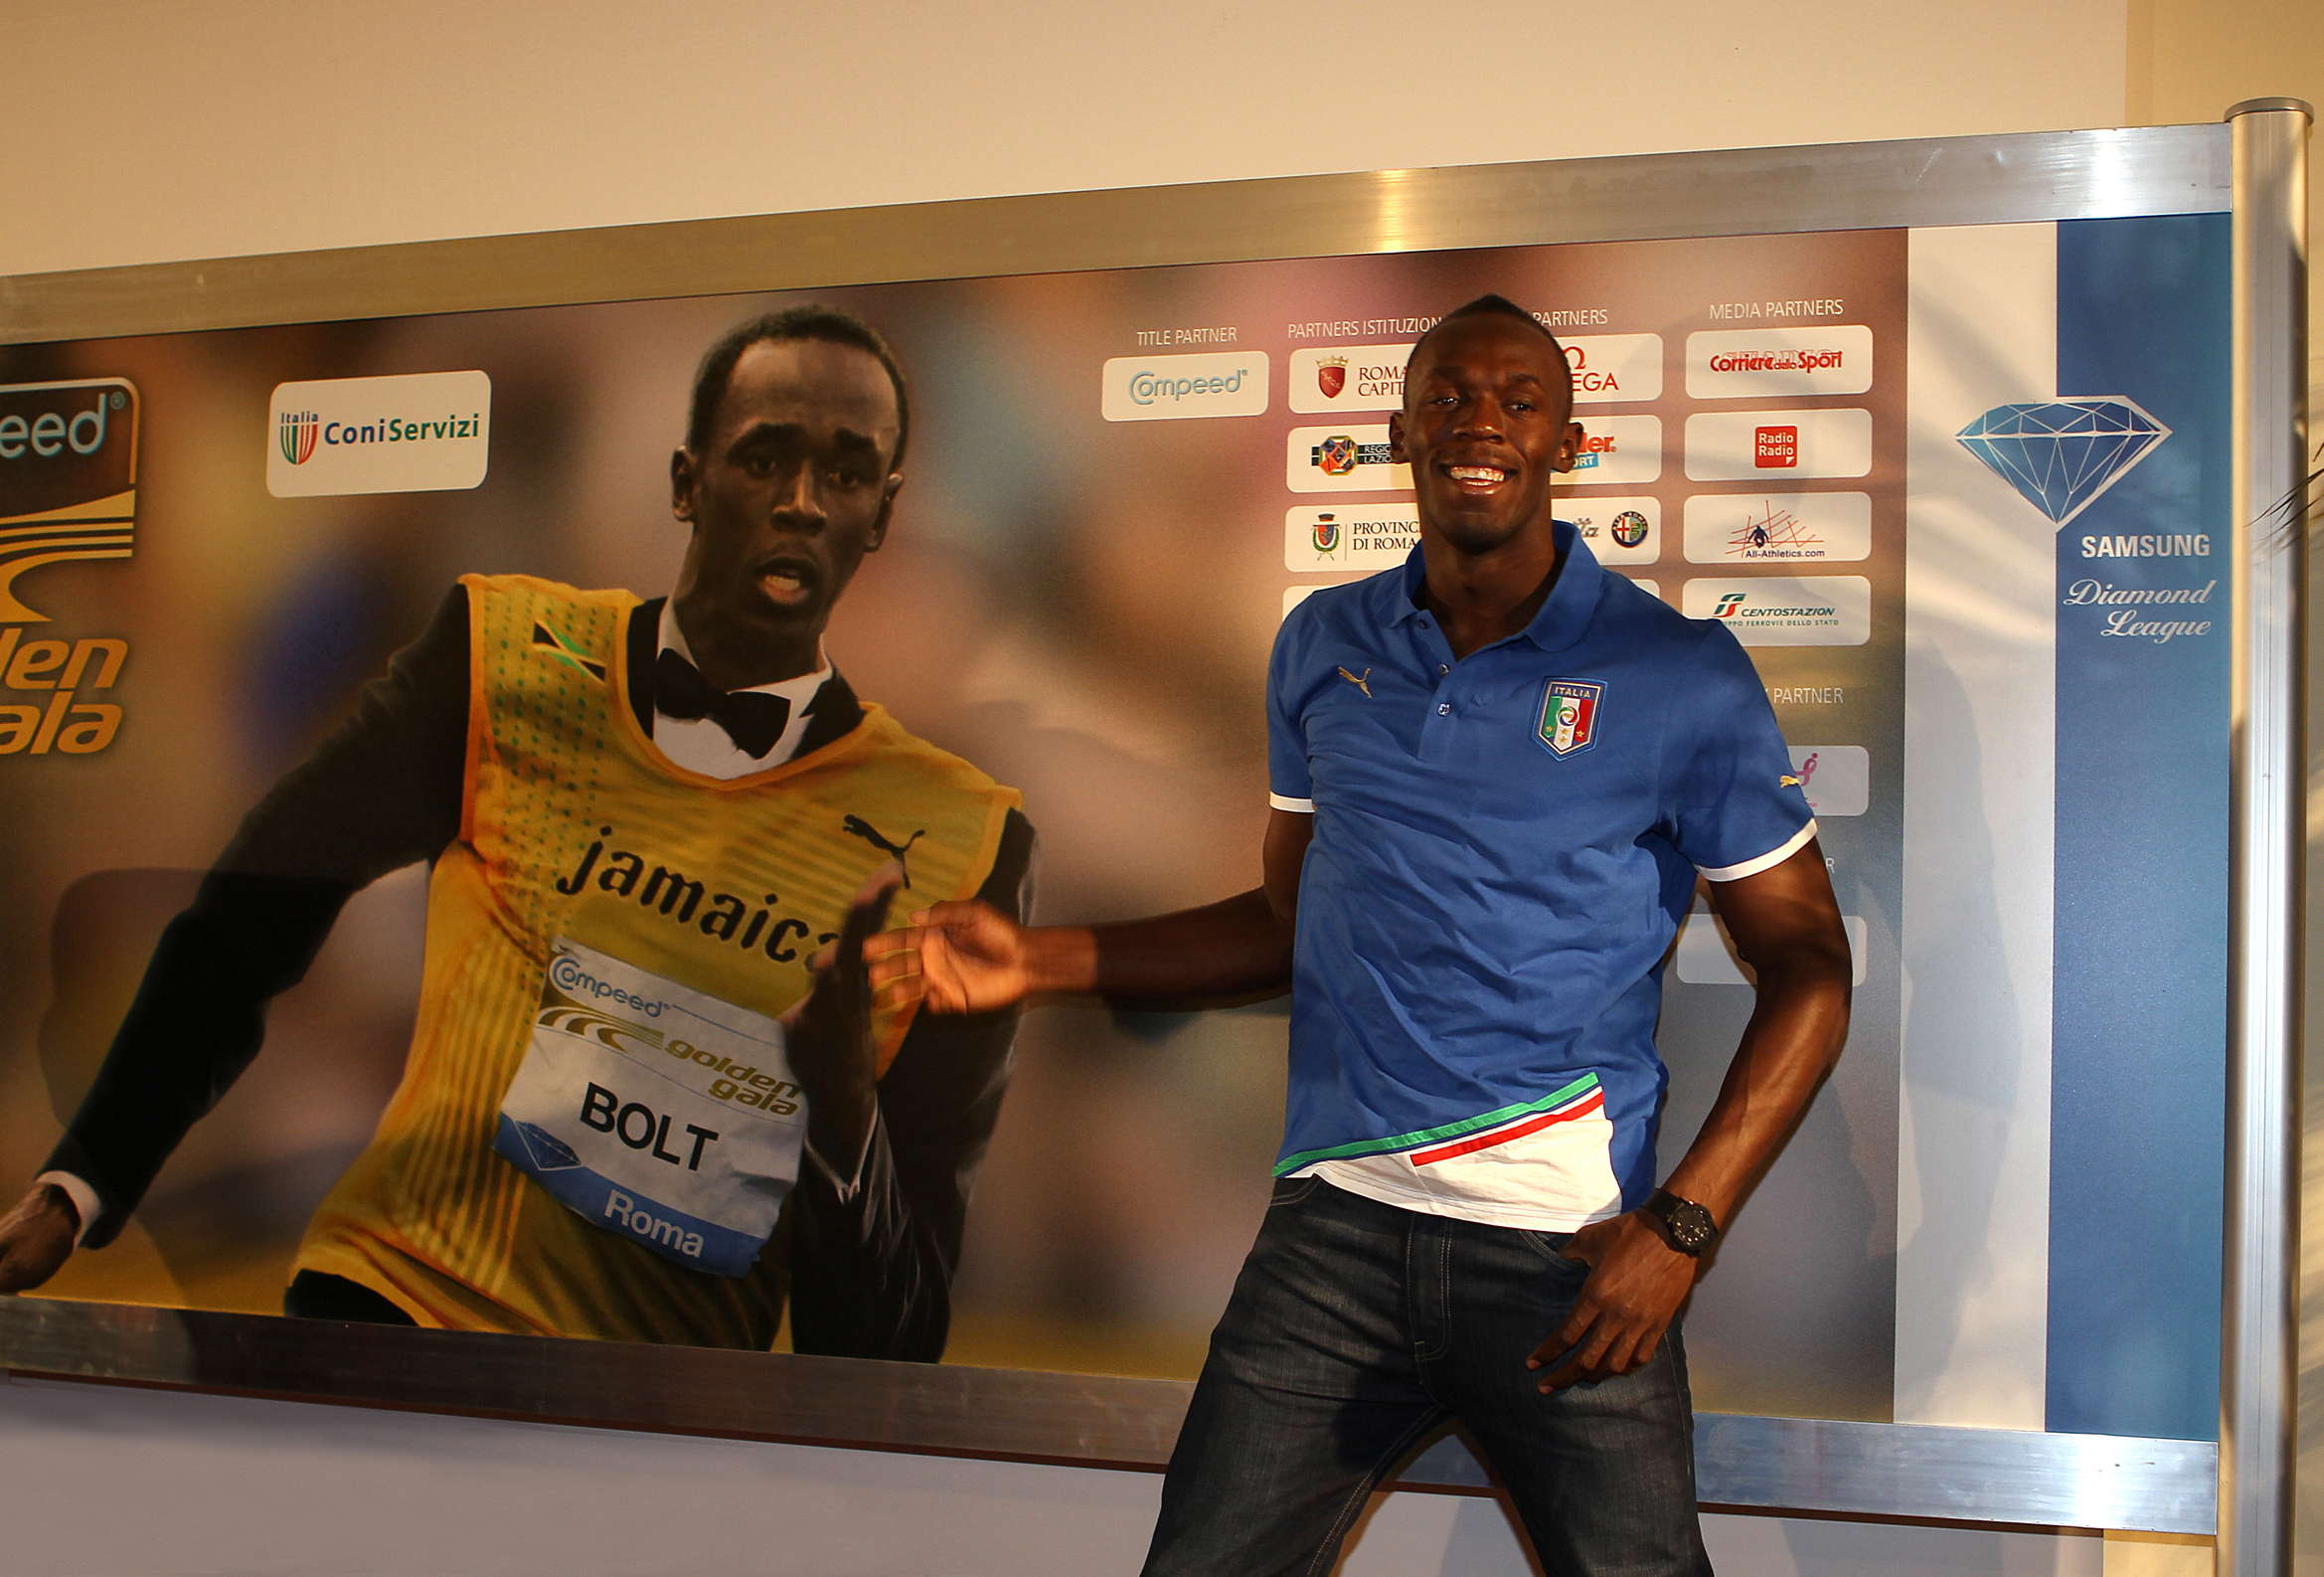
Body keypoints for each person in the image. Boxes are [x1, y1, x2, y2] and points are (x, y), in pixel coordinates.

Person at [873, 295, 1851, 1574]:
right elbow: (1293, 923)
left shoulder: (1677, 669)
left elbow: (1808, 967)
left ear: (1567, 441)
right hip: (1331, 1237)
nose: (1479, 423)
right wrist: (1039, 959)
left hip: (1565, 1254)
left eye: (1517, 400)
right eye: (1448, 396)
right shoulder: (1323, 642)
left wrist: (1680, 1229)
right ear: (1400, 433)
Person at [0, 305, 1033, 1358]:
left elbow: (894, 1335)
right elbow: (254, 912)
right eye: (762, 460)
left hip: (676, 1397)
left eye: (845, 474)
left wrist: (843, 1117)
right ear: (685, 481)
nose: (799, 505)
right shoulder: (496, 655)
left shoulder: (961, 831)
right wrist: (81, 1184)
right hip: (388, 1325)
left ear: (888, 514)